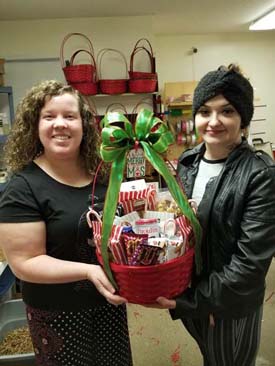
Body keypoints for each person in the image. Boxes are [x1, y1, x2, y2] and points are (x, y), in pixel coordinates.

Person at [0, 80, 133, 366]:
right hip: (59, 316)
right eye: (49, 116)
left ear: (83, 125)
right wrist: (88, 271)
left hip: (108, 307)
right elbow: (25, 262)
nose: (60, 124)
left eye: (69, 116)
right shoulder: (23, 187)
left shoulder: (102, 174)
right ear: (35, 126)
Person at [153, 64, 275, 365]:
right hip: (193, 293)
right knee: (212, 357)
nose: (214, 121)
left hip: (228, 304)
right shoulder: (188, 161)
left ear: (243, 120)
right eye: (205, 111)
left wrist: (199, 301)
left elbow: (250, 264)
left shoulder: (260, 174)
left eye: (228, 111)